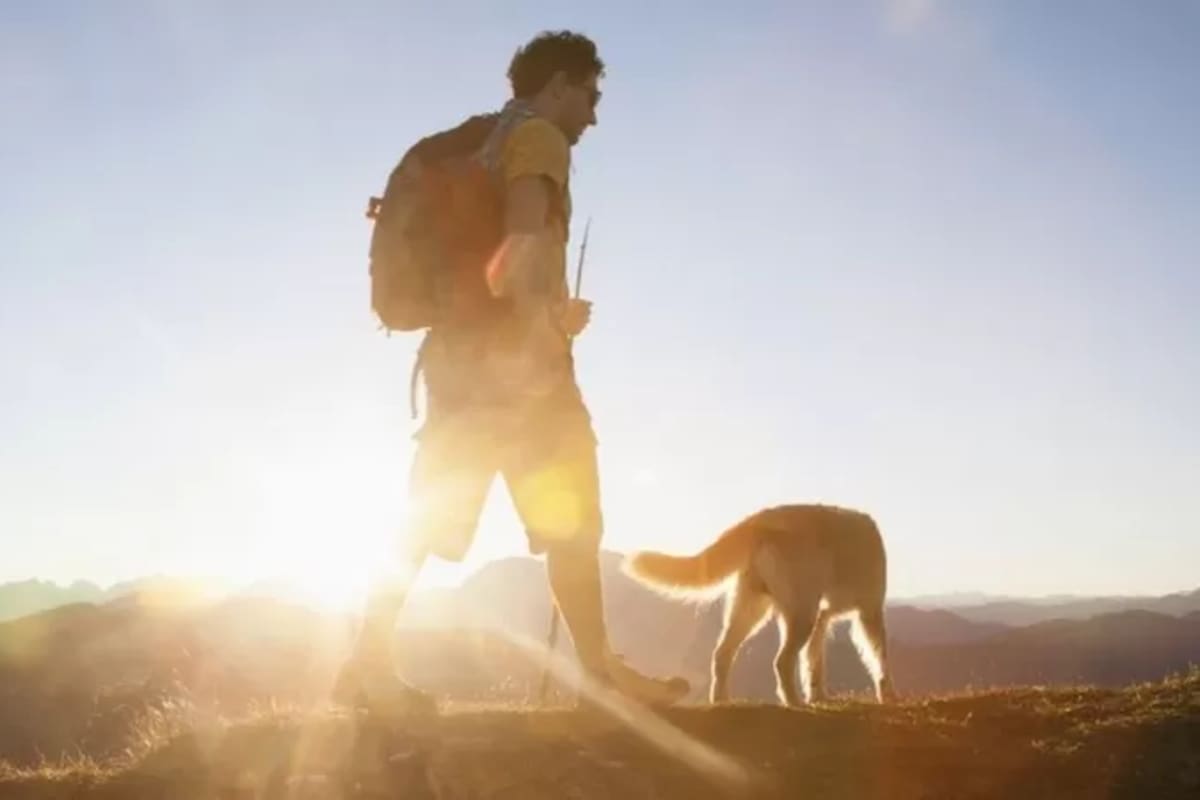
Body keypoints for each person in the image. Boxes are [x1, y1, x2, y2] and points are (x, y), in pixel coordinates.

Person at [335, 30, 689, 714]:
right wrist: (544, 323)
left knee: (427, 516)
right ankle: (599, 677)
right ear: (558, 85)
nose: (593, 115)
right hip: (522, 376)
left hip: (455, 364)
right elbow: (521, 245)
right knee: (574, 522)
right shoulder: (538, 139)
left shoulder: (478, 142)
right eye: (589, 95)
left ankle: (365, 663)